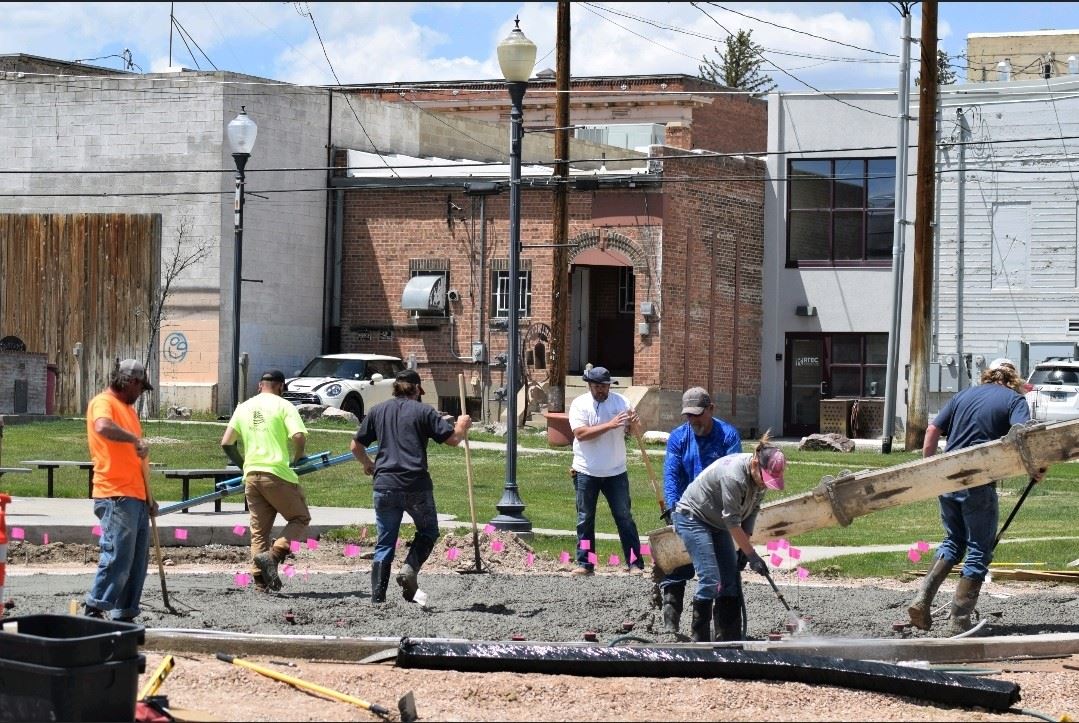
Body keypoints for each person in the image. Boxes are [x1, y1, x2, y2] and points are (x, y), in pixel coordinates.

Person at [908, 357, 1043, 634]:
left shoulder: (963, 395)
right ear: (1012, 378)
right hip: (978, 480)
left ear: (988, 375)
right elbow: (1024, 436)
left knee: (953, 541)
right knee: (979, 549)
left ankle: (922, 599)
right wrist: (1036, 467)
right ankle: (959, 621)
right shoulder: (1014, 401)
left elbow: (933, 429)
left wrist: (929, 468)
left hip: (947, 476)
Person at [351, 368, 471, 604]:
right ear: (417, 389)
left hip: (384, 484)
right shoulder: (424, 411)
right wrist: (462, 425)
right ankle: (409, 569)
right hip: (416, 484)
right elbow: (453, 440)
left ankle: (378, 598)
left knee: (385, 541)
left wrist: (368, 464)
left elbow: (355, 445)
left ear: (395, 387)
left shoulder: (377, 411)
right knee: (428, 531)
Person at [673, 433, 787, 642]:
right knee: (710, 579)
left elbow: (752, 510)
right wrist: (752, 556)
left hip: (717, 521)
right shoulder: (733, 476)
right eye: (765, 478)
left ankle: (728, 641)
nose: (765, 484)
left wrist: (745, 547)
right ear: (755, 463)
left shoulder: (760, 480)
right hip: (693, 517)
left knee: (730, 580)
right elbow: (732, 522)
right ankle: (701, 643)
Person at [656, 387, 742, 633]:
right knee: (677, 566)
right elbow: (671, 477)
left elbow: (733, 481)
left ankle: (725, 633)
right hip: (686, 512)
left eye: (698, 415)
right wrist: (673, 511)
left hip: (717, 517)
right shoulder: (679, 438)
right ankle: (671, 628)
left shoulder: (727, 436)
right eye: (689, 416)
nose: (694, 421)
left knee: (725, 574)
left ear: (711, 409)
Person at [220, 369, 311, 593]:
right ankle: (274, 555)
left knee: (259, 531)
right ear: (281, 386)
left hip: (252, 476)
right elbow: (298, 436)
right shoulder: (284, 405)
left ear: (260, 385)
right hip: (276, 473)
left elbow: (226, 443)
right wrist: (298, 457)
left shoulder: (244, 407)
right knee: (300, 517)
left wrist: (244, 465)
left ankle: (261, 583)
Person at [84, 358, 156, 621]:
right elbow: (102, 427)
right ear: (130, 382)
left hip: (135, 495)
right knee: (118, 557)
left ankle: (125, 614)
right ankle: (95, 608)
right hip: (115, 493)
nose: (140, 394)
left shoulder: (129, 411)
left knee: (136, 562)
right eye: (140, 388)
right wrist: (133, 438)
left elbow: (135, 457)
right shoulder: (103, 403)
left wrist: (150, 497)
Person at [568, 366, 645, 576]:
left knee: (624, 516)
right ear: (589, 386)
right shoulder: (579, 404)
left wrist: (636, 424)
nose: (602, 390)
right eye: (597, 387)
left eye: (605, 386)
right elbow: (581, 434)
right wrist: (610, 425)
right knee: (585, 518)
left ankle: (634, 563)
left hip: (616, 470)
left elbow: (631, 430)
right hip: (586, 470)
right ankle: (586, 563)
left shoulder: (621, 402)